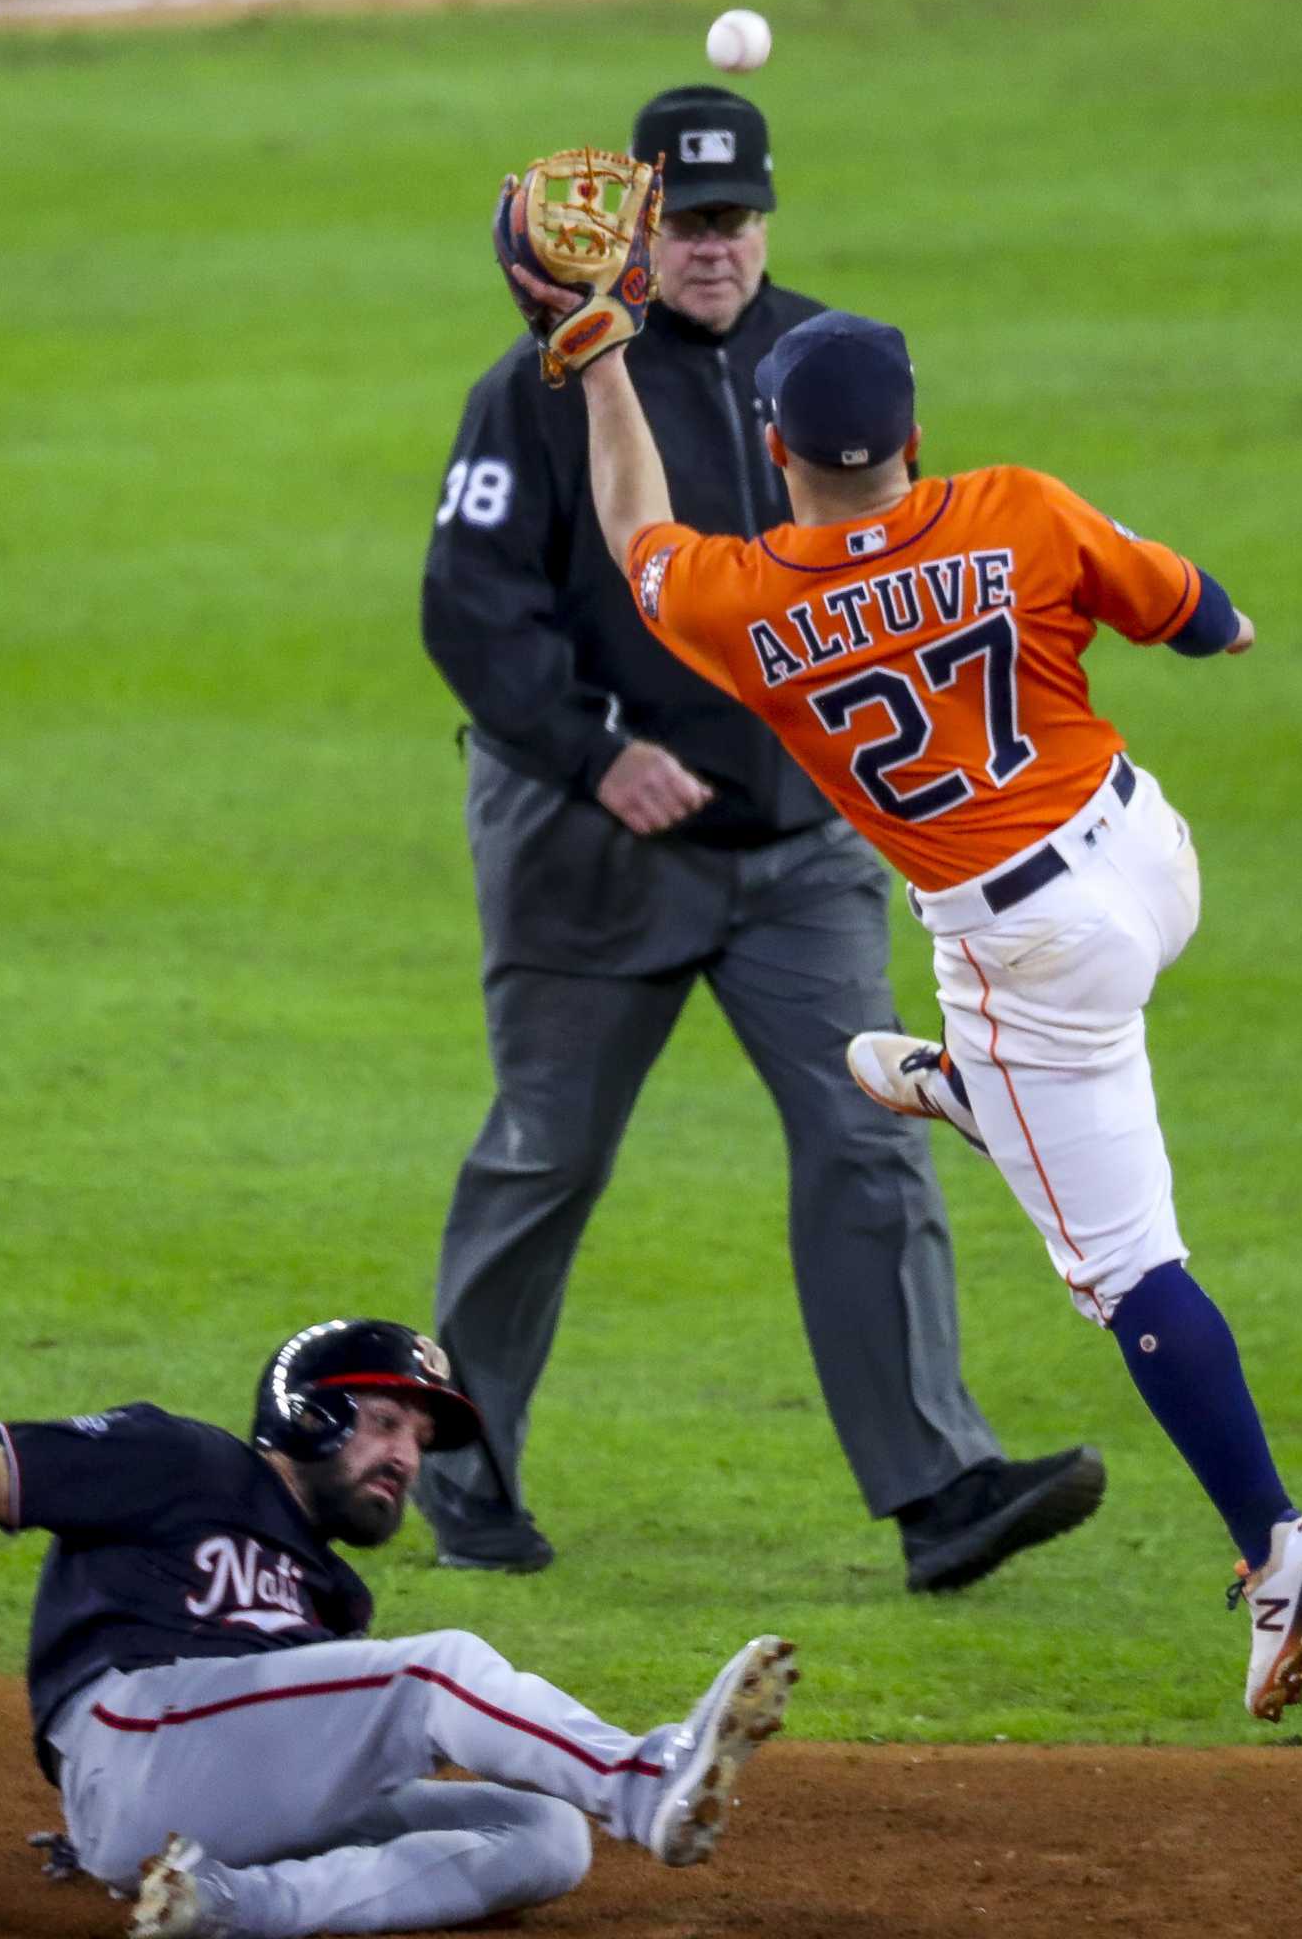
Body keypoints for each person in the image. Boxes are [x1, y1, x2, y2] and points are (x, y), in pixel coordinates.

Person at [559, 296, 1302, 1722]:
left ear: (773, 449)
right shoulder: (1018, 510)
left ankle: (1277, 1544)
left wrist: (601, 359)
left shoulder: (744, 599)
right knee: (1019, 1055)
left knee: (1124, 1272)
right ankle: (978, 1089)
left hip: (1033, 955)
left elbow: (635, 535)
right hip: (1149, 862)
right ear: (915, 439)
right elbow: (1208, 622)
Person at [418, 81, 1105, 1594]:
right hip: (588, 854)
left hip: (801, 852)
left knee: (871, 1139)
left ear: (765, 219)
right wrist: (600, 758)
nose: (715, 249)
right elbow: (468, 611)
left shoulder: (828, 370)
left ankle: (939, 1492)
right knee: (546, 1160)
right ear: (638, 229)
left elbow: (901, 573)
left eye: (737, 219)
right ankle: (455, 1469)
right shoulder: (537, 385)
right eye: (689, 222)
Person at [0, 1319, 798, 1937]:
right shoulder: (182, 1460)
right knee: (436, 1672)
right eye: (382, 1423)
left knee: (545, 1835)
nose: (405, 1459)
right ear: (307, 1416)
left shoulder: (333, 1594)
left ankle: (232, 1908)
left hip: (200, 1810)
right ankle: (644, 1781)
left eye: (417, 1442)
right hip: (130, 1736)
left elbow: (297, 1741)